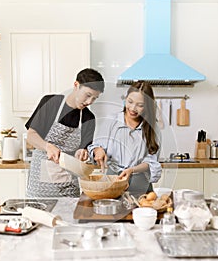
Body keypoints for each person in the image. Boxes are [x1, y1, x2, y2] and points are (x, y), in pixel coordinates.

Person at [25, 68, 105, 198]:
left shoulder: (89, 118)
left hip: (69, 185)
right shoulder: (51, 103)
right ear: (76, 85)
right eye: (88, 95)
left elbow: (82, 150)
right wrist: (48, 146)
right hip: (40, 185)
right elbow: (31, 135)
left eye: (94, 98)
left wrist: (82, 153)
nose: (89, 102)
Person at [88, 80, 162, 196]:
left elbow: (151, 161)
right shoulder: (111, 121)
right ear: (125, 99)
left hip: (141, 186)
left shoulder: (153, 128)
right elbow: (95, 147)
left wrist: (131, 170)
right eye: (130, 102)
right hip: (113, 182)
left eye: (140, 105)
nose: (133, 108)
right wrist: (98, 150)